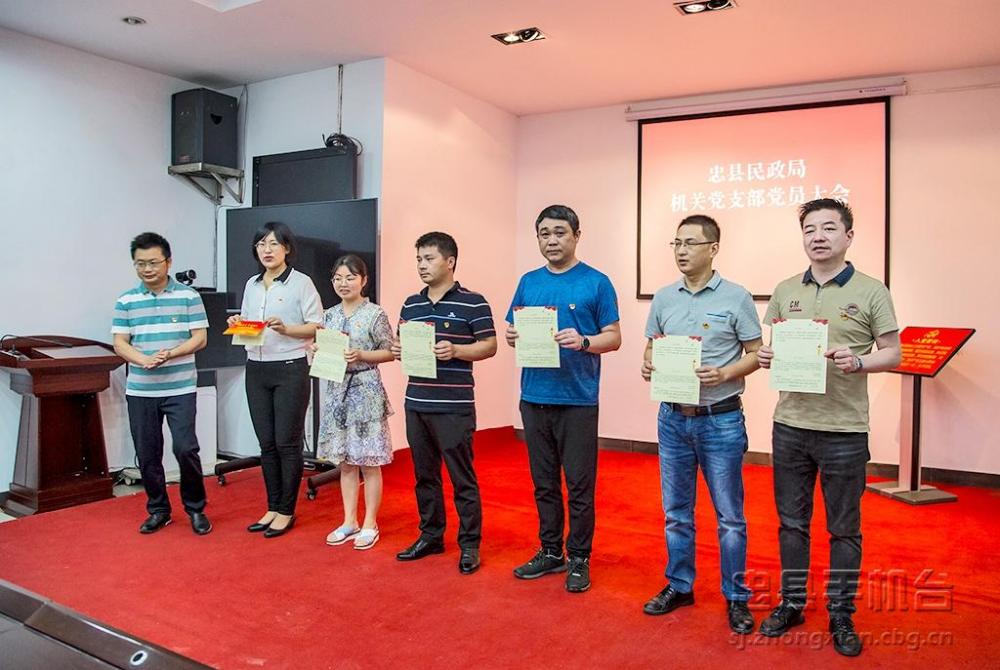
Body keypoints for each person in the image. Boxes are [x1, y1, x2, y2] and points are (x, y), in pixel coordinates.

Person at [756, 199, 900, 657]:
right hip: (790, 425)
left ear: (848, 236)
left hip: (844, 430)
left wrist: (859, 361)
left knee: (844, 528)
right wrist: (765, 356)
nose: (818, 237)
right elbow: (773, 346)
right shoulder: (785, 289)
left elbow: (893, 352)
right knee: (791, 523)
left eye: (829, 228)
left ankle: (841, 613)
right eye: (810, 229)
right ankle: (792, 602)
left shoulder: (872, 290)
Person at [639, 215, 762, 634]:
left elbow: (756, 353)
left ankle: (736, 597)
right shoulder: (663, 298)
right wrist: (648, 364)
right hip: (673, 418)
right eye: (676, 243)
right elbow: (651, 348)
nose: (681, 250)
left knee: (730, 517)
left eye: (690, 243)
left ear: (713, 248)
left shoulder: (737, 297)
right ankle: (680, 585)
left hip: (720, 419)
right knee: (676, 512)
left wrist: (726, 373)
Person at [505, 204, 621, 593]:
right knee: (543, 483)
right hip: (534, 395)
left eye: (559, 233)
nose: (551, 240)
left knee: (580, 485)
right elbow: (513, 330)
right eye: (544, 234)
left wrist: (585, 341)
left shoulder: (596, 282)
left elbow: (614, 337)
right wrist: (512, 335)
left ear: (576, 236)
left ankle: (580, 557)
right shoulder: (528, 281)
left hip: (578, 400)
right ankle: (551, 550)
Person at [392, 232, 497, 574]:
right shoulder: (411, 304)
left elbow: (489, 345)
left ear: (450, 261)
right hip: (416, 401)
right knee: (424, 476)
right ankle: (431, 535)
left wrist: (456, 350)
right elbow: (400, 343)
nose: (422, 265)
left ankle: (469, 545)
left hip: (454, 404)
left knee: (461, 477)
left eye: (429, 258)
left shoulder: (474, 302)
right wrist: (398, 349)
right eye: (418, 259)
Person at [112, 232, 211, 535]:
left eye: (153, 262)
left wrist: (171, 353)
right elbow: (120, 343)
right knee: (148, 452)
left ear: (168, 262)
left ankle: (196, 508)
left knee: (186, 448)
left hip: (180, 387)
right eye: (140, 263)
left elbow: (200, 338)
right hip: (141, 389)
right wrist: (142, 359)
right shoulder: (126, 300)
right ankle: (158, 509)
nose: (147, 269)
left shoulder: (188, 296)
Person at [229, 221, 322, 538]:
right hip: (256, 368)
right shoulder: (252, 284)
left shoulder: (301, 283)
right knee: (266, 443)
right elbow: (250, 327)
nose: (267, 250)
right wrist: (238, 323)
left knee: (286, 442)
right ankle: (271, 506)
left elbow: (316, 326)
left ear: (287, 248)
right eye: (261, 245)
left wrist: (287, 329)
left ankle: (286, 510)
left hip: (290, 367)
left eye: (273, 244)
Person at [314, 254, 394, 551]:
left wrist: (361, 355)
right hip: (337, 391)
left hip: (366, 390)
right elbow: (325, 349)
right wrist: (317, 351)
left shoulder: (375, 314)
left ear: (364, 280)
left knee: (369, 463)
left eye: (350, 277)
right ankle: (349, 520)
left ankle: (370, 523)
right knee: (346, 462)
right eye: (338, 278)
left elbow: (390, 351)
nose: (343, 283)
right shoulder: (329, 315)